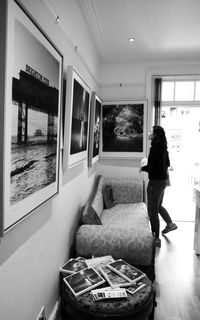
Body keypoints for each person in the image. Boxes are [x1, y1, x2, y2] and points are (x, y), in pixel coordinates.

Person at [140, 125, 177, 247]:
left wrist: (144, 167)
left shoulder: (154, 149)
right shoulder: (163, 148)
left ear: (155, 135)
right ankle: (170, 224)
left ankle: (155, 238)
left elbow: (154, 169)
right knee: (158, 205)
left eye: (151, 131)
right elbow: (167, 164)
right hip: (162, 182)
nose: (149, 132)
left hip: (155, 182)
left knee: (152, 210)